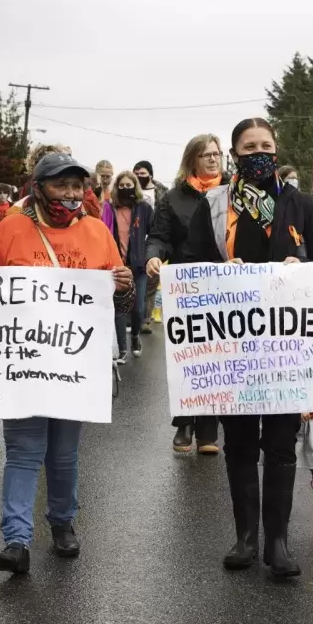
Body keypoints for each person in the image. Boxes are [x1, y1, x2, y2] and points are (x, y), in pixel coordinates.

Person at [185, 117, 313, 579]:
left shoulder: (302, 205)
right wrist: (222, 272)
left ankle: (279, 542)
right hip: (233, 345)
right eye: (249, 147)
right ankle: (246, 537)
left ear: (277, 149)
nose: (259, 153)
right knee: (242, 442)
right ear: (235, 154)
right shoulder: (214, 205)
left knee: (282, 443)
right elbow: (191, 266)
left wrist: (299, 264)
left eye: (266, 145)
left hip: (286, 346)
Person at [0, 152, 134, 575]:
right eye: (59, 185)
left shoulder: (98, 232)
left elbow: (119, 302)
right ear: (39, 187)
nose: (69, 194)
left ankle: (63, 522)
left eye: (76, 186)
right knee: (23, 451)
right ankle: (16, 540)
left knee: (63, 454)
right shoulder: (11, 229)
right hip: (23, 364)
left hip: (74, 368)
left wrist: (125, 285)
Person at [147, 133, 228, 454]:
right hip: (186, 289)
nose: (213, 158)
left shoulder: (234, 193)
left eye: (217, 153)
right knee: (189, 357)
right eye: (206, 154)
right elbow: (159, 235)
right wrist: (154, 254)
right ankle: (184, 422)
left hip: (226, 288)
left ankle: (208, 431)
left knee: (217, 360)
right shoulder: (174, 198)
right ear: (192, 160)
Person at [101, 170, 153, 362]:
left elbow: (153, 235)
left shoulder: (144, 208)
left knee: (138, 308)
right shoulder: (109, 208)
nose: (125, 189)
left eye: (128, 186)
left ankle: (135, 337)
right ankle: (122, 349)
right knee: (119, 308)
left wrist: (147, 256)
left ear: (135, 186)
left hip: (138, 267)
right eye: (121, 186)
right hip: (116, 267)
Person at [133, 160, 169, 334]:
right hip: (135, 243)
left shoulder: (162, 192)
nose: (139, 177)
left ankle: (145, 320)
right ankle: (134, 318)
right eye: (136, 174)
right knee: (135, 282)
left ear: (150, 175)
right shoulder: (130, 192)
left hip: (154, 243)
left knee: (151, 282)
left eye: (143, 174)